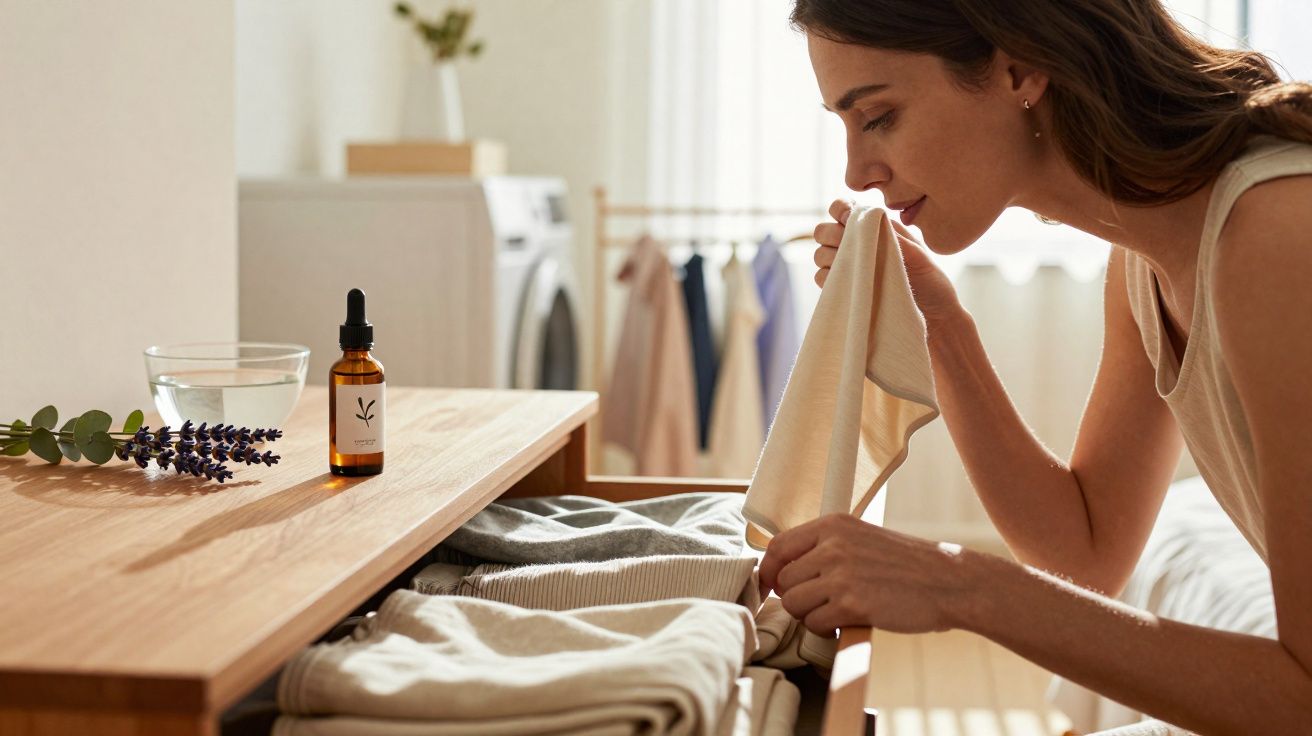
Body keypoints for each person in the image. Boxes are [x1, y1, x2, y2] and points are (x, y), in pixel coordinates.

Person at [756, 1, 1312, 733]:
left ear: (1020, 68)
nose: (858, 173)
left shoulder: (1278, 231)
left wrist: (956, 583)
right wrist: (941, 328)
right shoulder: (1145, 260)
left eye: (879, 117)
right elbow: (1085, 558)